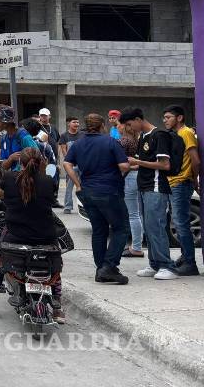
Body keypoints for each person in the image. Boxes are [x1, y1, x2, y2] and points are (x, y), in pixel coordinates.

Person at [0, 148, 64, 323]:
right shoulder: (48, 181)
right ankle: (58, 309)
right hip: (46, 236)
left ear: (21, 162)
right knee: (54, 265)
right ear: (41, 163)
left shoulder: (9, 178)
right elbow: (50, 198)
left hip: (15, 236)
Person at [63, 113, 130, 284]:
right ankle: (109, 266)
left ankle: (101, 269)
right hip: (109, 191)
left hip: (87, 191)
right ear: (102, 126)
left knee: (99, 230)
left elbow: (66, 163)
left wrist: (77, 184)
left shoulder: (78, 144)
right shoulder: (110, 142)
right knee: (121, 228)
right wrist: (130, 166)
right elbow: (123, 165)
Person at [120, 107, 179, 280]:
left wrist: (137, 161)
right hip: (144, 187)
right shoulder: (143, 137)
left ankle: (167, 266)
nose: (129, 128)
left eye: (129, 124)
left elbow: (164, 165)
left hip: (156, 187)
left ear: (138, 120)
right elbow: (143, 162)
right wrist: (130, 165)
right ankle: (155, 264)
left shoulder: (158, 135)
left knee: (156, 227)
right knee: (148, 227)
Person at [162, 105, 200, 276]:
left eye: (168, 117)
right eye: (164, 117)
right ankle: (185, 257)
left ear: (179, 118)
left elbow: (195, 160)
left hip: (181, 183)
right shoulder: (176, 134)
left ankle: (190, 263)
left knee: (181, 224)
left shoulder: (186, 132)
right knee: (178, 223)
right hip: (174, 183)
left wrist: (193, 179)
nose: (165, 120)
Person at [118, 120, 144, 258]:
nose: (118, 126)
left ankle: (137, 247)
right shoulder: (138, 139)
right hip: (137, 177)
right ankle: (137, 244)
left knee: (133, 214)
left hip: (128, 177)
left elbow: (121, 163)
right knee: (138, 213)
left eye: (120, 124)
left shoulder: (124, 141)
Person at [0, 106, 38, 172]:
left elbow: (37, 158)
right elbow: (3, 166)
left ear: (6, 122)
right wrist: (10, 159)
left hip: (27, 176)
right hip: (12, 176)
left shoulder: (24, 137)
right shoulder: (4, 139)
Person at [58, 116, 82, 214]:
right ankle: (68, 206)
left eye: (77, 122)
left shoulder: (82, 135)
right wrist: (70, 161)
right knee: (69, 186)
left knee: (84, 185)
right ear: (69, 124)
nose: (76, 124)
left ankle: (85, 205)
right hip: (71, 165)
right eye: (74, 122)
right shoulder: (64, 135)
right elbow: (64, 150)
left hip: (82, 163)